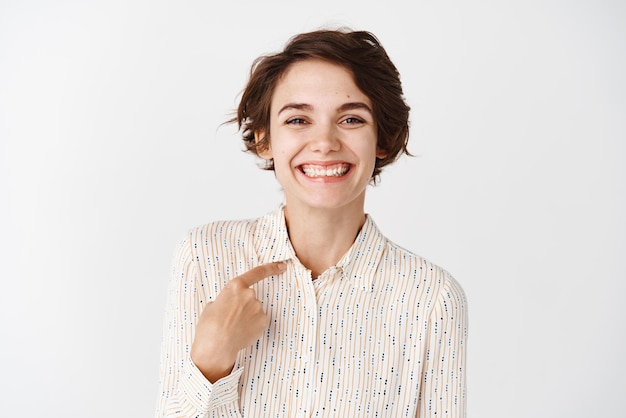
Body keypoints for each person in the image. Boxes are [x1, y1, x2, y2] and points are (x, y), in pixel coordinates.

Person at [156, 28, 468, 417]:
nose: (324, 141)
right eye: (299, 120)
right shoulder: (205, 255)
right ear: (264, 138)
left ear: (383, 139)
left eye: (351, 119)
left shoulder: (432, 297)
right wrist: (211, 360)